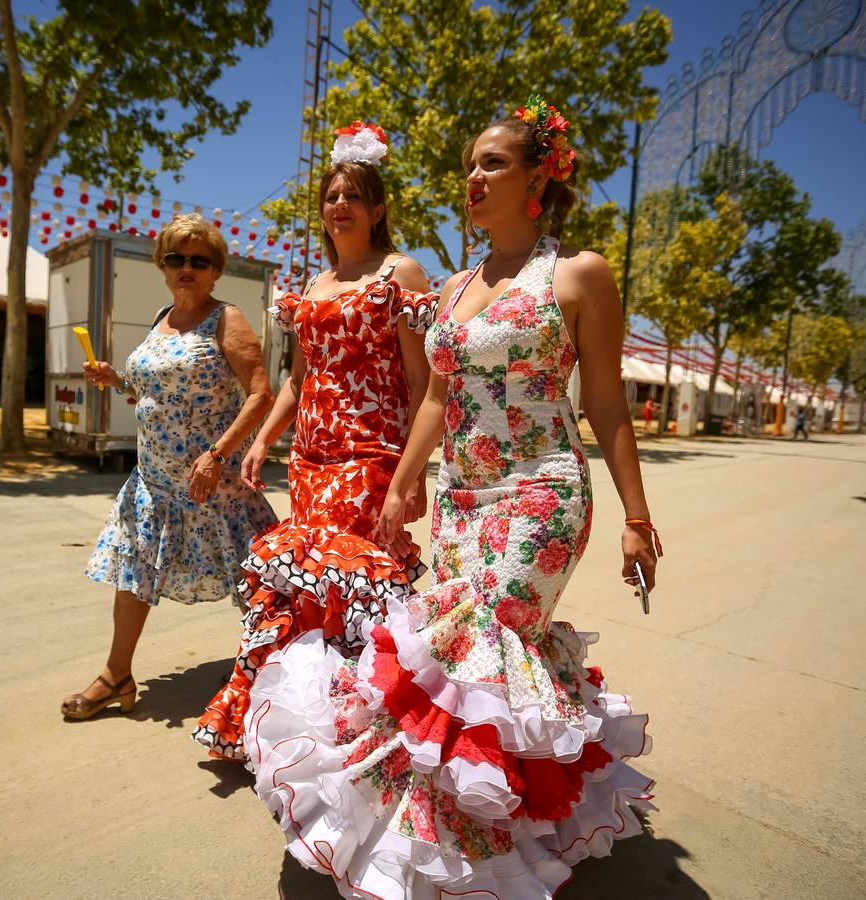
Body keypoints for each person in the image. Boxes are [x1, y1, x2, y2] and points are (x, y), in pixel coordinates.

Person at [246, 97, 660, 897]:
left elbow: (604, 403)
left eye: (492, 163)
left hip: (541, 494)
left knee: (483, 655)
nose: (472, 177)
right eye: (469, 164)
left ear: (540, 176)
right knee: (461, 669)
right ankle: (470, 841)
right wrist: (404, 489)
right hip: (463, 502)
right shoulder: (457, 283)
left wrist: (636, 516)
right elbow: (436, 397)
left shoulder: (576, 272)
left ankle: (477, 852)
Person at [191, 122, 438, 760]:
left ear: (377, 209)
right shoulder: (314, 287)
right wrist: (262, 441)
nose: (339, 206)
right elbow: (298, 383)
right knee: (308, 587)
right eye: (331, 196)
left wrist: (414, 473)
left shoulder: (399, 271)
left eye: (353, 196)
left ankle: (362, 727)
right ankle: (298, 725)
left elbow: (419, 379)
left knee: (348, 585)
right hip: (310, 461)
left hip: (372, 456)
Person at [61, 214, 278, 720]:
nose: (186, 268)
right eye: (176, 258)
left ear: (215, 270)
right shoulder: (163, 317)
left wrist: (217, 454)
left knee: (250, 582)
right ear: (162, 265)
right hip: (153, 483)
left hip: (211, 485)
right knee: (133, 576)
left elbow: (261, 394)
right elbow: (151, 391)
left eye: (198, 261)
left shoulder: (226, 319)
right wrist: (117, 379)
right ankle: (116, 675)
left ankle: (272, 669)